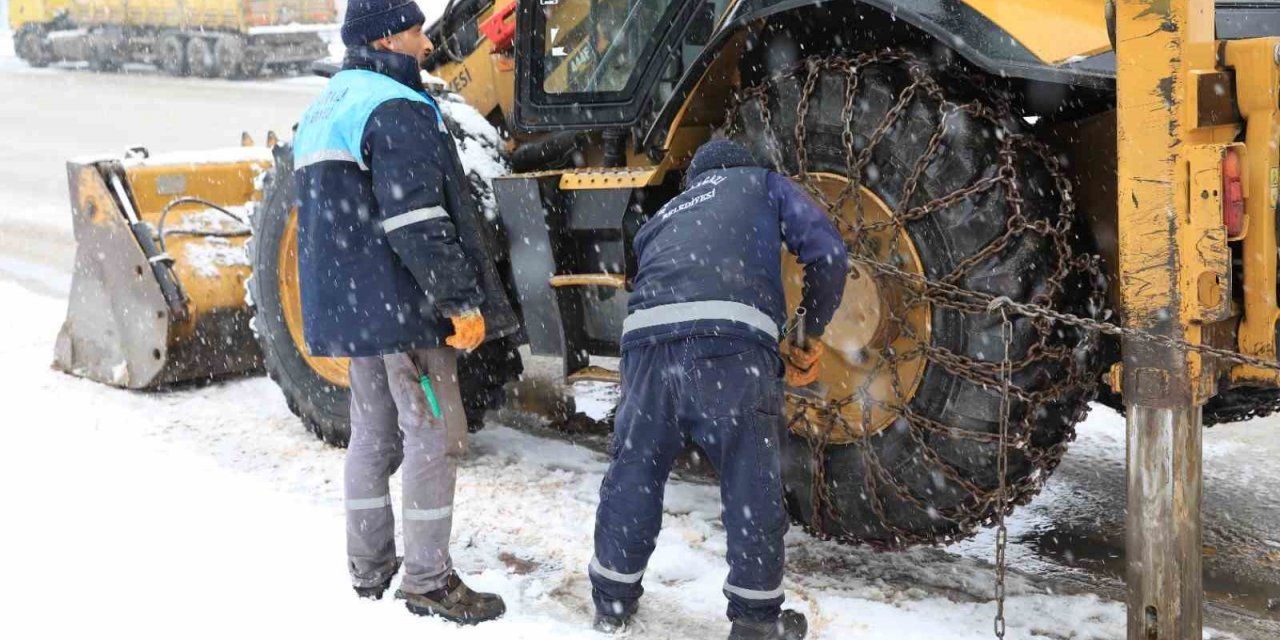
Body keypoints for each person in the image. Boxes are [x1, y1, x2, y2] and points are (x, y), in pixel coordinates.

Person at [291, 0, 506, 625]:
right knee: (433, 436)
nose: (425, 42)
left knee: (372, 434)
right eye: (415, 30)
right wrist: (459, 299)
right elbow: (417, 219)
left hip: (357, 310)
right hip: (403, 307)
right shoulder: (398, 106)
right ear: (387, 38)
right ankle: (430, 581)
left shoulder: (326, 106)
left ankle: (369, 568)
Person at [589, 139, 849, 639]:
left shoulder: (663, 212)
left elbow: (642, 277)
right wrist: (804, 334)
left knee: (635, 468)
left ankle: (612, 600)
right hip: (729, 349)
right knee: (750, 479)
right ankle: (755, 622)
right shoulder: (763, 183)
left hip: (646, 350)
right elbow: (830, 255)